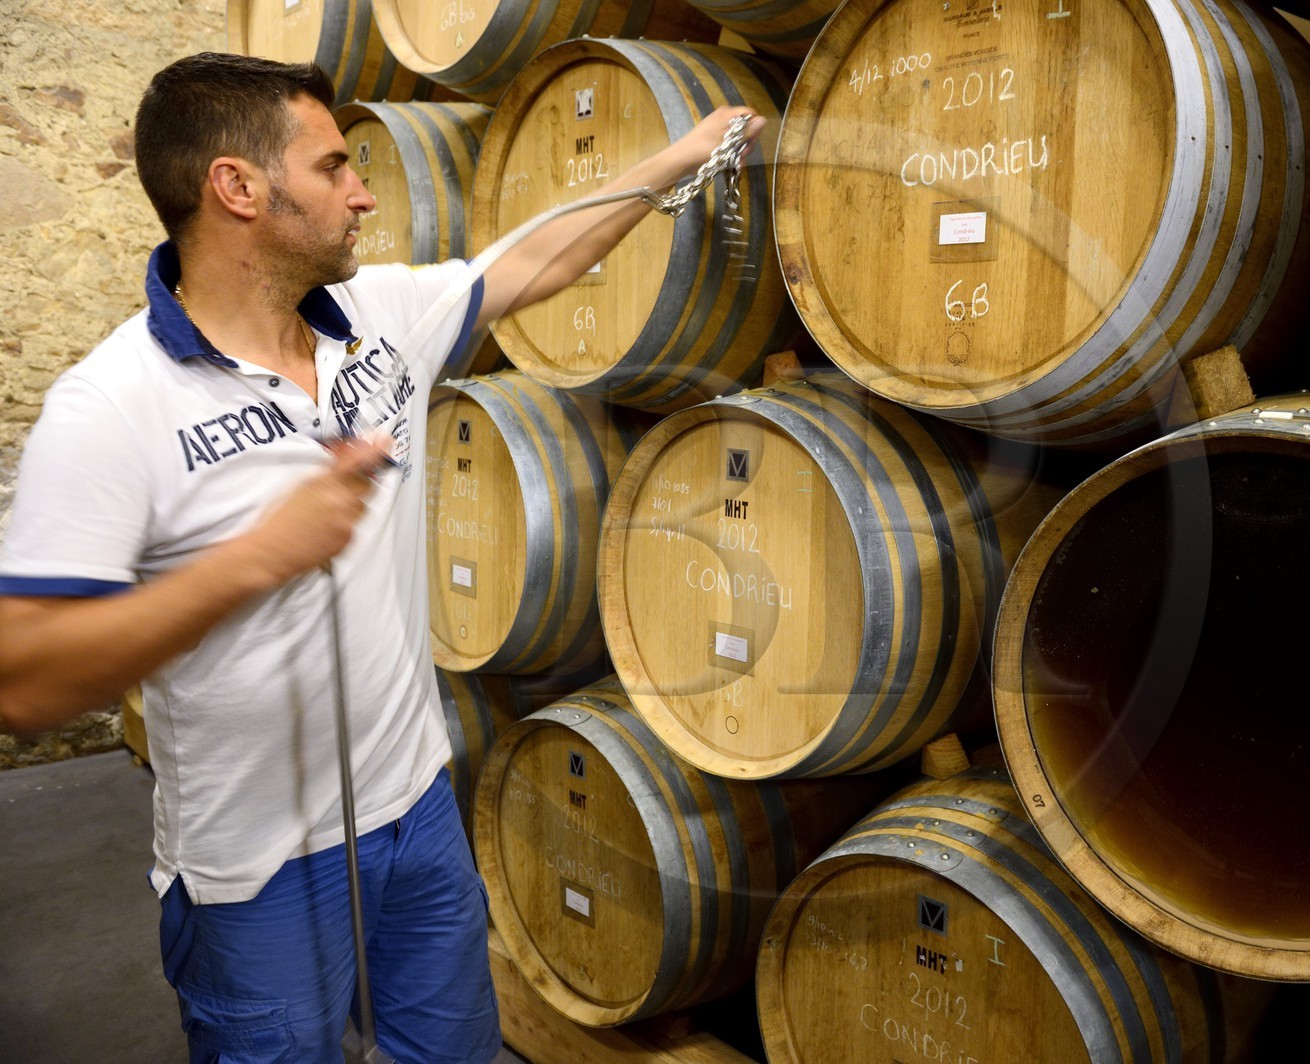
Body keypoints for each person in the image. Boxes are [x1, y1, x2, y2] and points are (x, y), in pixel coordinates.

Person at [0, 52, 760, 1063]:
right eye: (331, 168)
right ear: (238, 188)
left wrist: (685, 154)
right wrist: (253, 559)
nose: (362, 193)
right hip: (256, 868)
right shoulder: (112, 405)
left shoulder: (378, 321)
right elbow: (24, 676)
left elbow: (537, 260)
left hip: (415, 815)